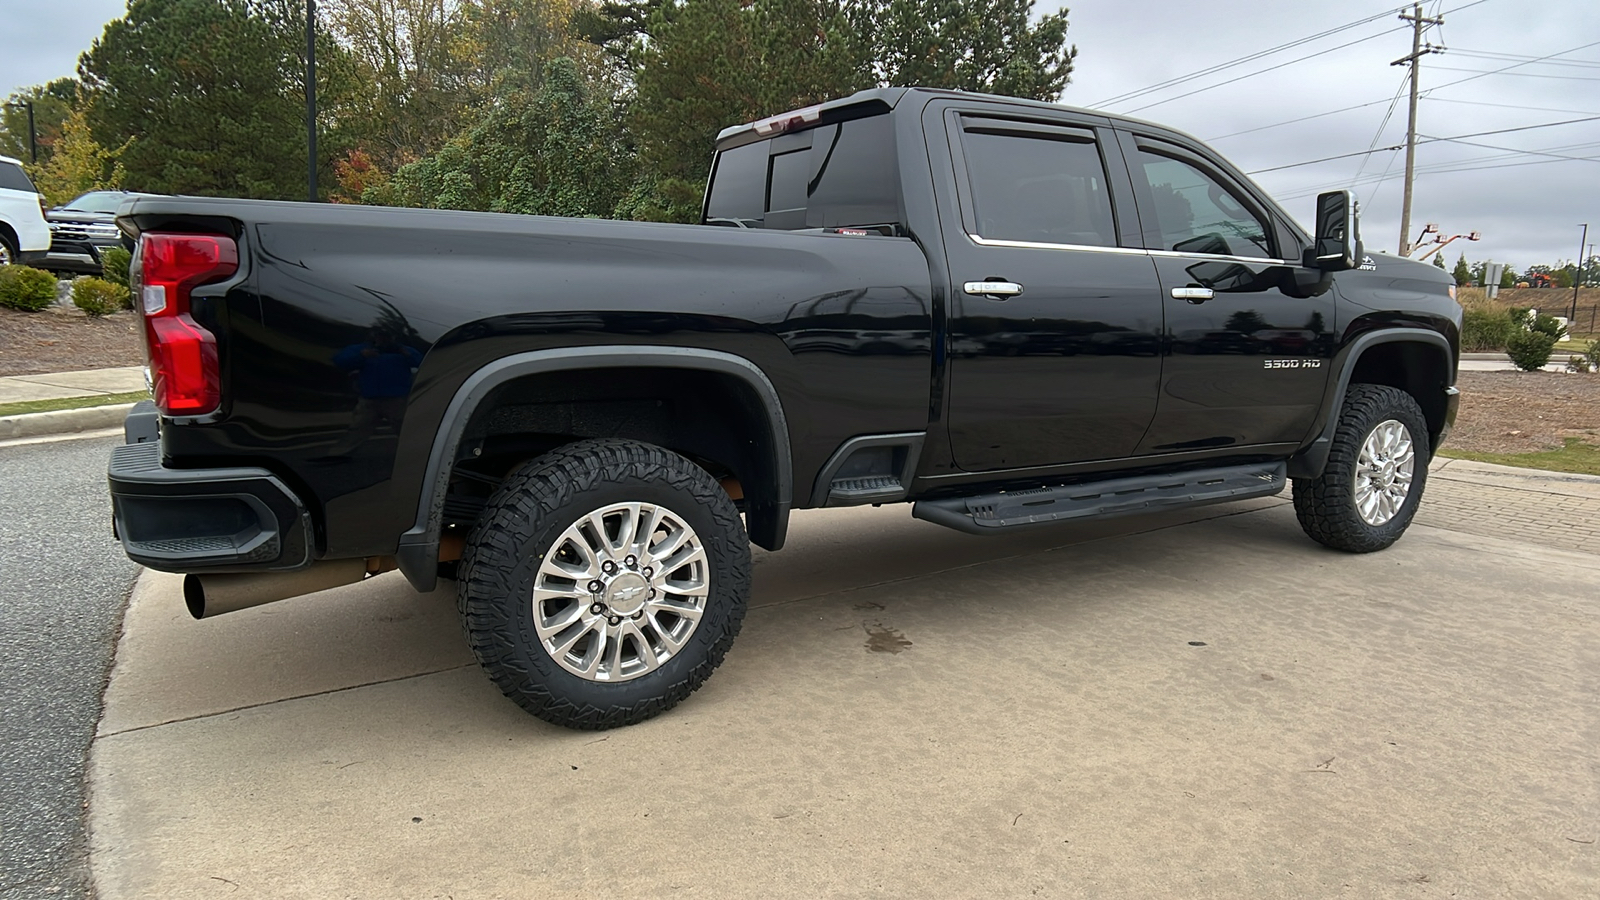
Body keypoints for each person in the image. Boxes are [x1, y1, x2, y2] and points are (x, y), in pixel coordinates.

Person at [324, 328, 423, 457]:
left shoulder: (403, 350)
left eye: (387, 336)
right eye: (379, 335)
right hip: (369, 398)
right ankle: (339, 454)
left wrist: (407, 354)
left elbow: (422, 363)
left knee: (405, 428)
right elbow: (340, 361)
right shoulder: (362, 349)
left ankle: (419, 454)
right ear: (373, 336)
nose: (382, 339)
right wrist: (361, 356)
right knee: (358, 427)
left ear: (393, 337)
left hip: (397, 399)